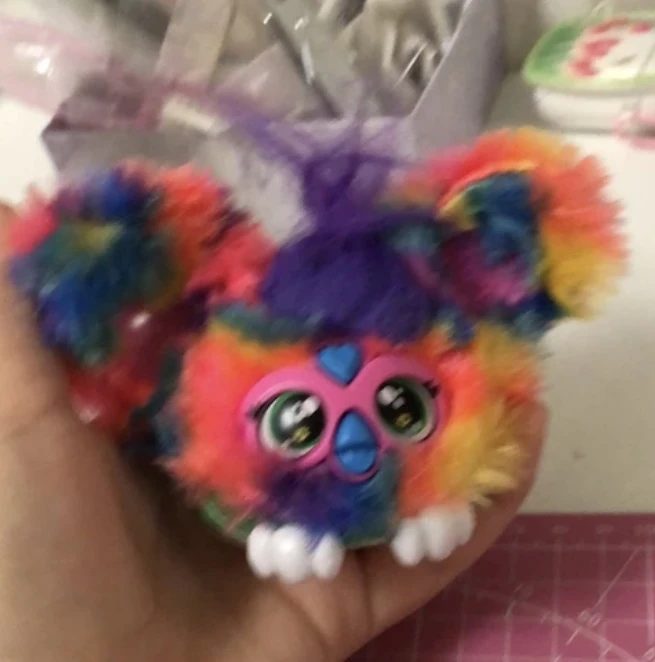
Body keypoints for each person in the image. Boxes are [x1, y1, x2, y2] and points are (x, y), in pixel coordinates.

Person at [0, 204, 545, 662]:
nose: (353, 444)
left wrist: (442, 484)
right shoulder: (217, 391)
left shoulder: (442, 364)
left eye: (399, 408)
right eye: (303, 421)